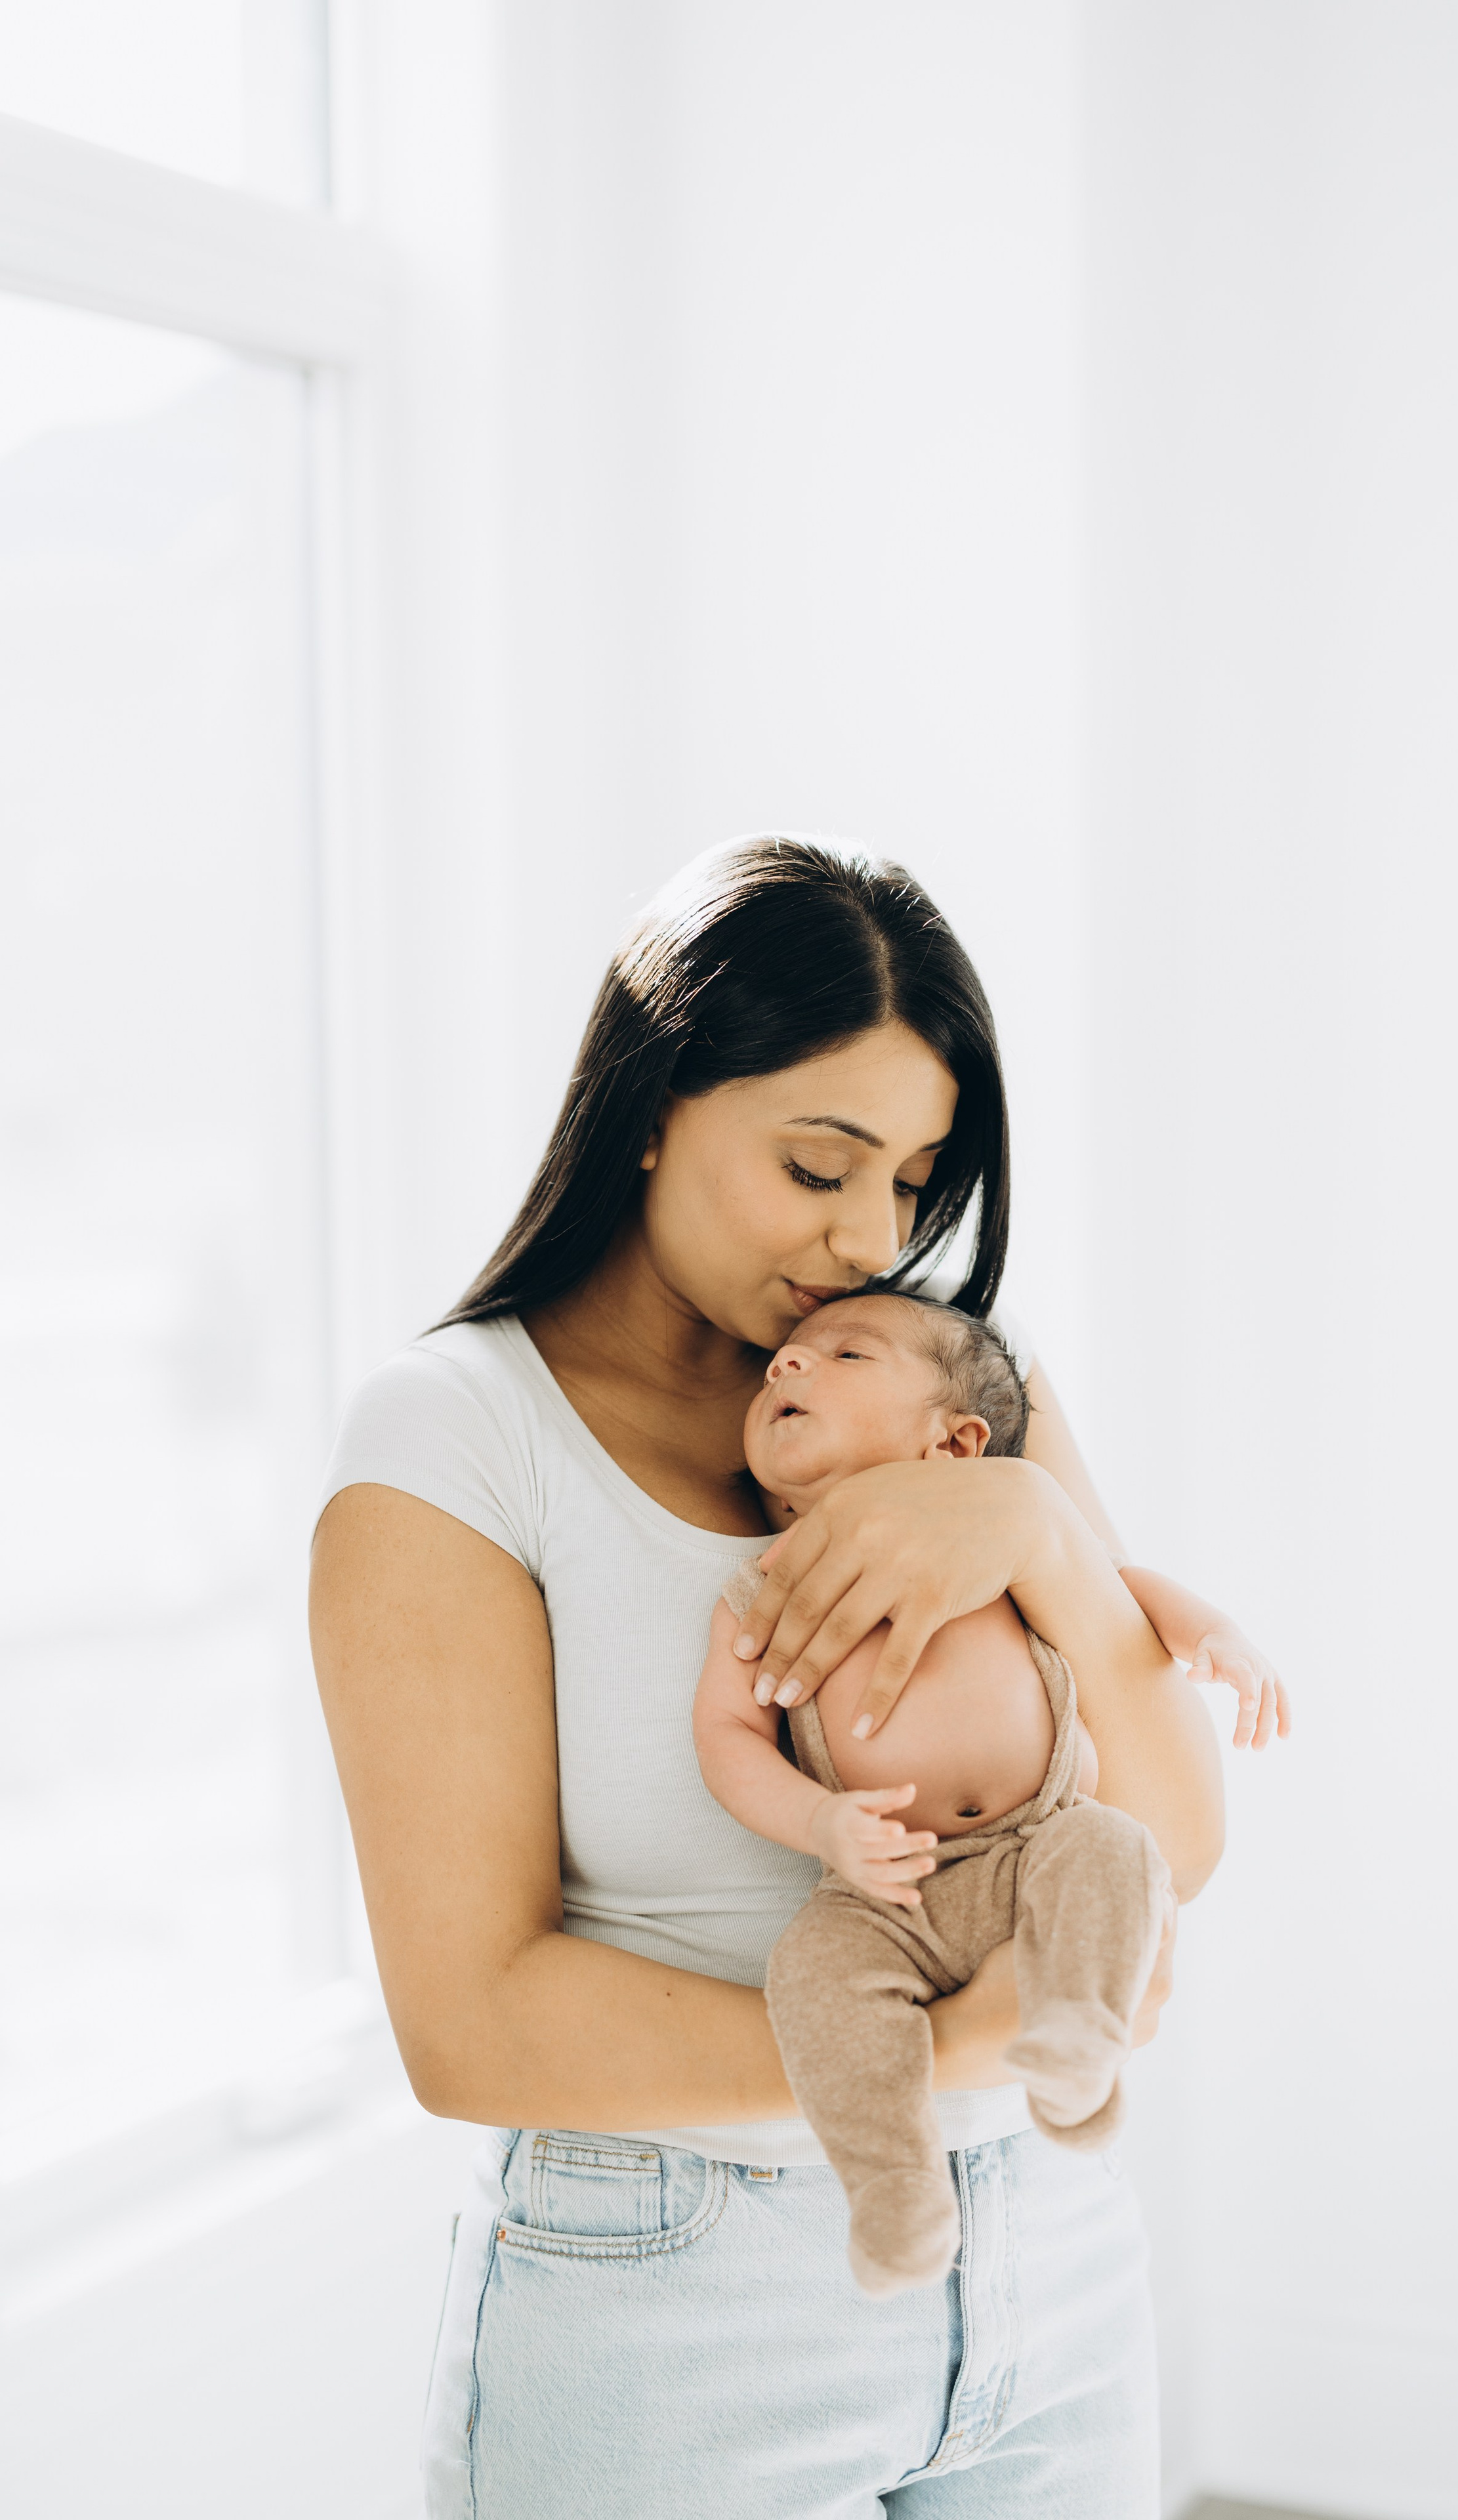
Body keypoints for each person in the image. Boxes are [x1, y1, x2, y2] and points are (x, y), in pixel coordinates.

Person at [310, 834, 1287, 2519]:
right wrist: (947, 2045)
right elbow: (470, 2025)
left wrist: (1033, 1532)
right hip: (670, 2305)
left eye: (913, 1181)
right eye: (818, 1165)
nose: (867, 1238)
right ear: (648, 1107)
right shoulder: (455, 1439)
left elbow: (1176, 1838)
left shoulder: (956, 1384)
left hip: (1045, 2271)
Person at [694, 1290, 1175, 2300]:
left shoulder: (994, 1543)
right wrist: (822, 1822)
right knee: (813, 1978)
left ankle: (1080, 2042)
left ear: (954, 1445)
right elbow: (730, 1737)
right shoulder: (763, 1586)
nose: (786, 1365)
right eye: (782, 1356)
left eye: (845, 1354)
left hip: (1039, 1839)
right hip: (885, 1889)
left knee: (1120, 1854)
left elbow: (1124, 1592)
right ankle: (895, 2192)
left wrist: (1214, 1636)